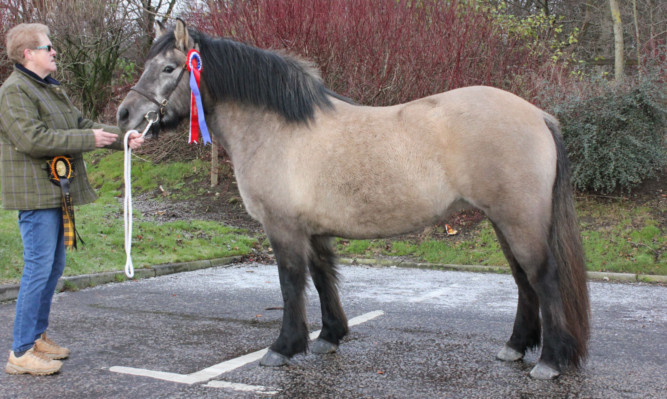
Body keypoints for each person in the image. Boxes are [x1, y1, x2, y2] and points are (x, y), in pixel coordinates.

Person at [0, 23, 144, 375]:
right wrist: (89, 140)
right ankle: (20, 352)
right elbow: (32, 139)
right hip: (35, 193)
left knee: (53, 267)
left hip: (54, 192)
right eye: (48, 47)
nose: (54, 52)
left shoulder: (49, 88)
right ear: (27, 54)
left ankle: (36, 337)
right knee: (38, 268)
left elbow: (81, 123)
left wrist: (122, 136)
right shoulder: (14, 91)